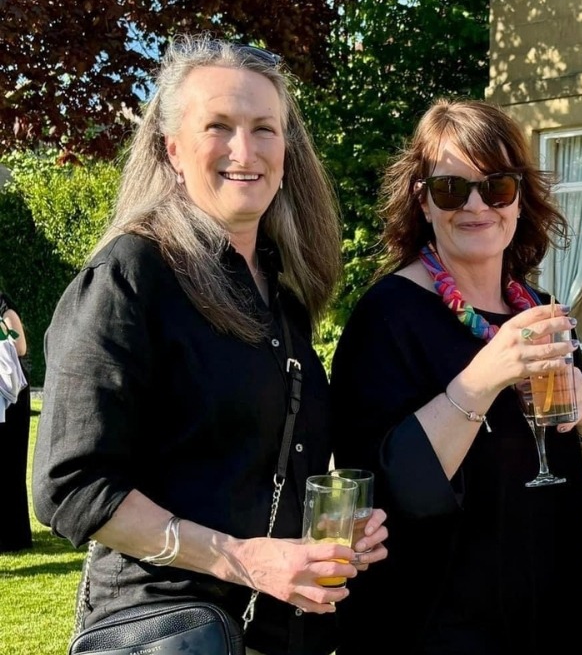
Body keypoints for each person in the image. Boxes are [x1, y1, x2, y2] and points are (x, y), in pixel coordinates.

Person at [32, 35, 388, 655]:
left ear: (286, 151)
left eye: (264, 128)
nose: (244, 150)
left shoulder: (282, 295)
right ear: (172, 148)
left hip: (282, 633)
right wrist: (245, 560)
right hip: (172, 631)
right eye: (218, 126)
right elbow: (71, 485)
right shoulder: (132, 274)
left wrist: (328, 538)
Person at [330, 99, 582, 654]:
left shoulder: (540, 311)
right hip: (435, 630)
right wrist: (482, 380)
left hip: (552, 618)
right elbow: (382, 494)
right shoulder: (387, 316)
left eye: (496, 187)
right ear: (422, 200)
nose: (476, 205)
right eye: (451, 189)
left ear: (519, 199)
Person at [0, 290, 33, 552]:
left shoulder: (6, 313)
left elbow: (20, 347)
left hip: (12, 395)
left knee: (10, 463)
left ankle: (14, 534)